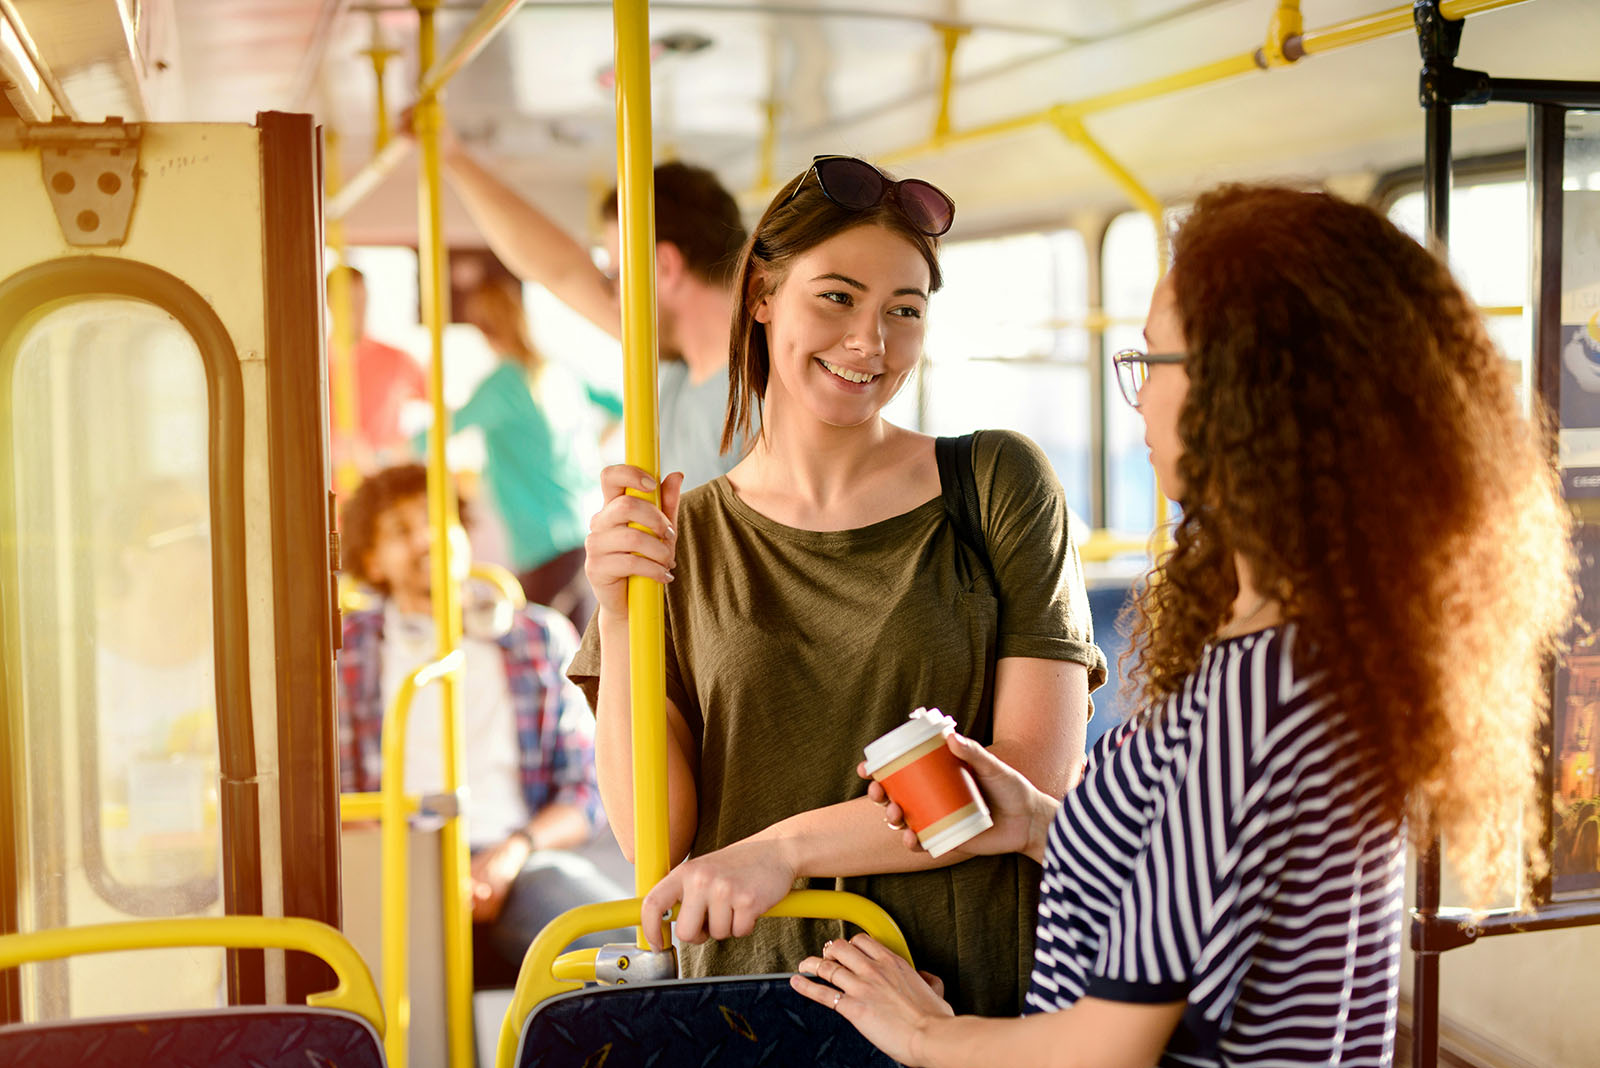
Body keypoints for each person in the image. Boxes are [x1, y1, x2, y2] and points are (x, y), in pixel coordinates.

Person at [781, 185, 1575, 1067]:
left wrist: (926, 1033)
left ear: (1247, 395)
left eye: (1155, 362)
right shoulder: (1324, 654)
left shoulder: (1251, 701)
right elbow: (1214, 879)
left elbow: (1110, 1046)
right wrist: (1043, 823)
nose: (1140, 399)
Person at [571, 155, 1106, 1017]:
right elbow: (653, 841)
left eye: (905, 311)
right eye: (837, 297)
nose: (871, 342)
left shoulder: (999, 484)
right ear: (762, 297)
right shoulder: (683, 539)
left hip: (967, 998)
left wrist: (783, 850)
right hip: (752, 1002)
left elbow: (1027, 776)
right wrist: (621, 611)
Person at [335, 463, 628, 987]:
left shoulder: (537, 638)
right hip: (392, 863)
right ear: (371, 561)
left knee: (622, 952)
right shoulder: (348, 649)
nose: (426, 538)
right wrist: (411, 866)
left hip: (514, 861)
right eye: (402, 531)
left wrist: (512, 853)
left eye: (436, 520)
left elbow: (584, 791)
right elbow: (330, 792)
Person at [429, 117, 755, 487]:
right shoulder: (676, 365)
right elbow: (561, 270)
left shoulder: (766, 395)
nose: (612, 299)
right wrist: (452, 156)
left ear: (664, 266)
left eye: (616, 277)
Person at [436, 276, 621, 631]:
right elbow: (620, 406)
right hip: (582, 527)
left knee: (531, 642)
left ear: (482, 330)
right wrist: (591, 445)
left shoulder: (501, 386)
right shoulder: (558, 370)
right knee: (575, 646)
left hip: (540, 540)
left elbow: (433, 438)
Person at [327, 265, 429, 471]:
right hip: (328, 490)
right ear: (329, 303)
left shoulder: (397, 360)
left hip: (382, 488)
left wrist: (401, 451)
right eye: (348, 302)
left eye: (362, 301)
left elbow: (442, 408)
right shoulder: (310, 366)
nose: (357, 310)